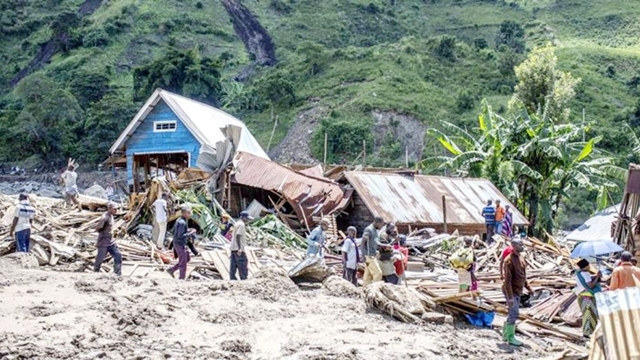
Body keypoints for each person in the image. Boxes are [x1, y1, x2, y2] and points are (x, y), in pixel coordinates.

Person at [502, 238, 533, 346]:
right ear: (514, 246)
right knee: (514, 313)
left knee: (512, 313)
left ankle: (505, 334)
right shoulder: (508, 261)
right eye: (520, 244)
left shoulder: (521, 258)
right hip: (511, 290)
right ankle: (510, 337)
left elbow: (523, 276)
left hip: (518, 290)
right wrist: (510, 297)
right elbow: (507, 281)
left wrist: (528, 287)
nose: (522, 246)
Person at [167, 205, 197, 280]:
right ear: (184, 213)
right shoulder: (182, 222)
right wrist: (191, 233)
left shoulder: (180, 220)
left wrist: (188, 230)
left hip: (179, 243)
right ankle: (181, 278)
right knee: (183, 263)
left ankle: (172, 270)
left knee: (187, 258)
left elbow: (175, 231)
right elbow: (181, 235)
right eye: (188, 213)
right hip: (180, 244)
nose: (190, 214)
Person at [574, 259, 601, 337]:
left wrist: (594, 276)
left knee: (587, 313)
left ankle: (589, 331)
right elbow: (591, 285)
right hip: (587, 296)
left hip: (581, 295)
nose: (589, 267)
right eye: (588, 265)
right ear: (585, 266)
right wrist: (597, 277)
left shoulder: (578, 273)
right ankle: (587, 332)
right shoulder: (585, 274)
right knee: (590, 313)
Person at [94, 202, 122, 277]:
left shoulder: (111, 216)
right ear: (109, 209)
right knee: (100, 258)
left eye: (117, 209)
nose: (116, 210)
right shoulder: (105, 217)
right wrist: (104, 233)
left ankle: (117, 273)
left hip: (111, 241)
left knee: (118, 255)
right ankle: (95, 272)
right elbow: (98, 228)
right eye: (114, 209)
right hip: (103, 241)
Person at [361, 217, 384, 286]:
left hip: (372, 255)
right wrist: (363, 255)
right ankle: (375, 290)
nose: (382, 226)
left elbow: (376, 242)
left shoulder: (375, 231)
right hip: (369, 256)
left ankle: (364, 290)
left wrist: (387, 245)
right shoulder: (369, 229)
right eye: (381, 224)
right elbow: (362, 243)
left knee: (368, 276)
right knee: (378, 273)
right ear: (377, 222)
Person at [230, 211, 252, 280]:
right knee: (243, 264)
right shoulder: (242, 225)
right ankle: (244, 279)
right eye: (247, 218)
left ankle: (232, 279)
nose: (248, 220)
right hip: (238, 248)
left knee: (233, 265)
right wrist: (240, 248)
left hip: (233, 247)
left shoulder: (236, 223)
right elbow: (238, 236)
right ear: (244, 218)